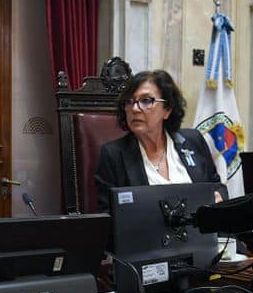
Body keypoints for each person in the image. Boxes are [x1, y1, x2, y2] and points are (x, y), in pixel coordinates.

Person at [95, 69, 222, 213]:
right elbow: (106, 215)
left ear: (167, 110)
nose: (135, 108)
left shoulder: (193, 140)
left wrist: (218, 199)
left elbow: (217, 187)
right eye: (129, 101)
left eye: (146, 101)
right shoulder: (113, 155)